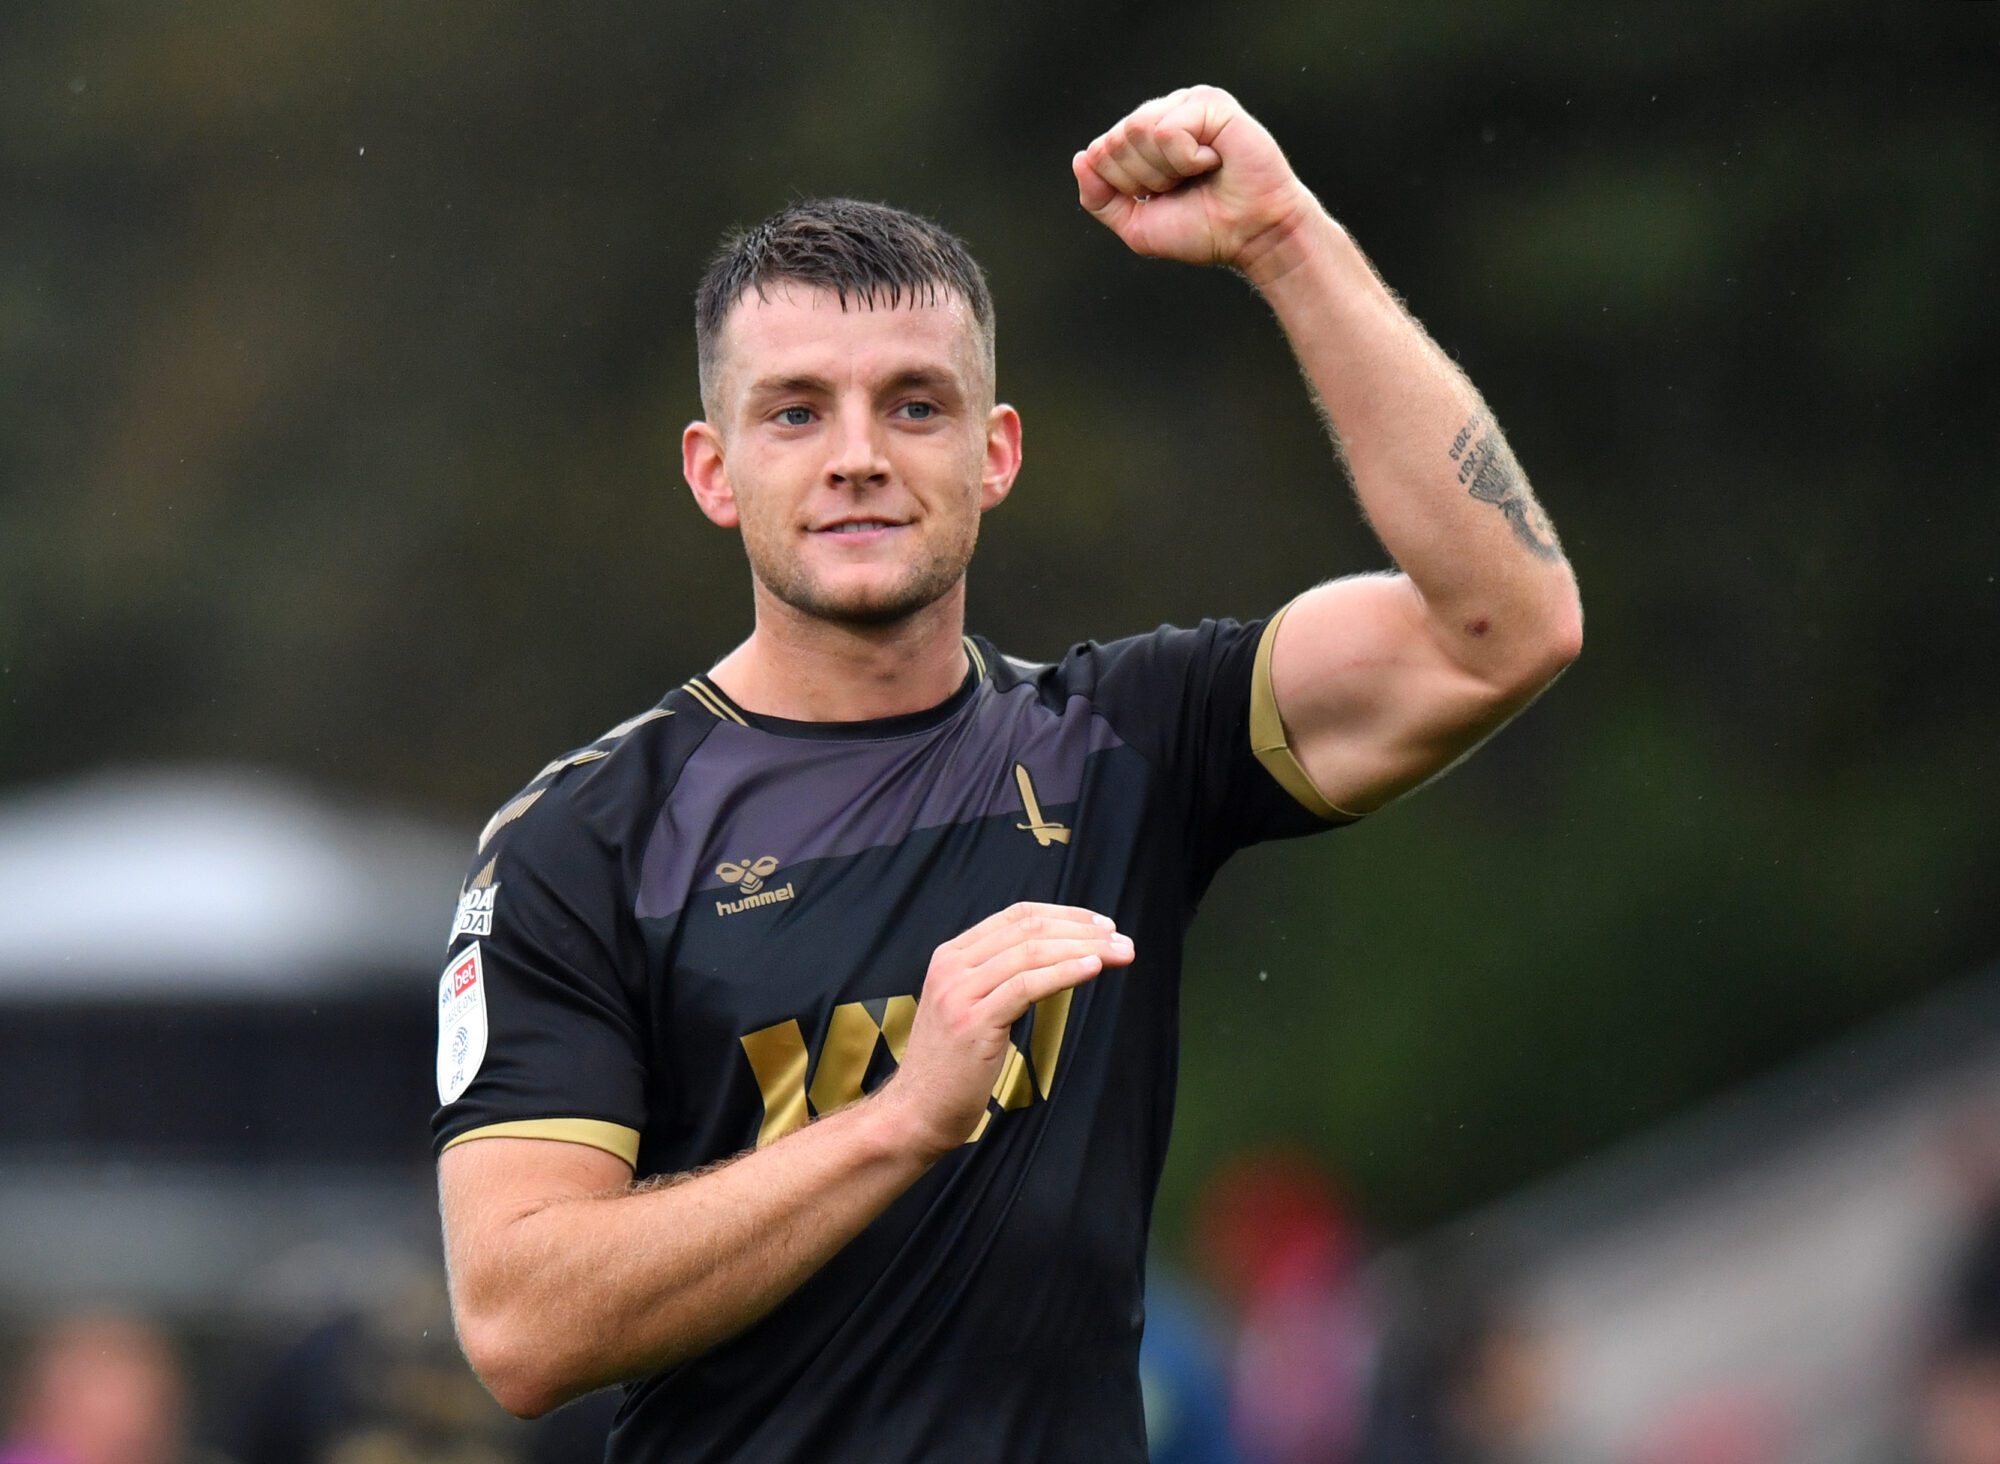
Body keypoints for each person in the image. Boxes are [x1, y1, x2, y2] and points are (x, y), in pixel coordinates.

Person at [431, 85, 1582, 1463]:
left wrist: (1285, 238)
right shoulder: (584, 840)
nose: (859, 456)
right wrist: (904, 1120)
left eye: (914, 405)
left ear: (996, 454)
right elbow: (521, 1326)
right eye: (795, 413)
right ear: (713, 470)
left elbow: (1502, 627)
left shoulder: (1123, 742)